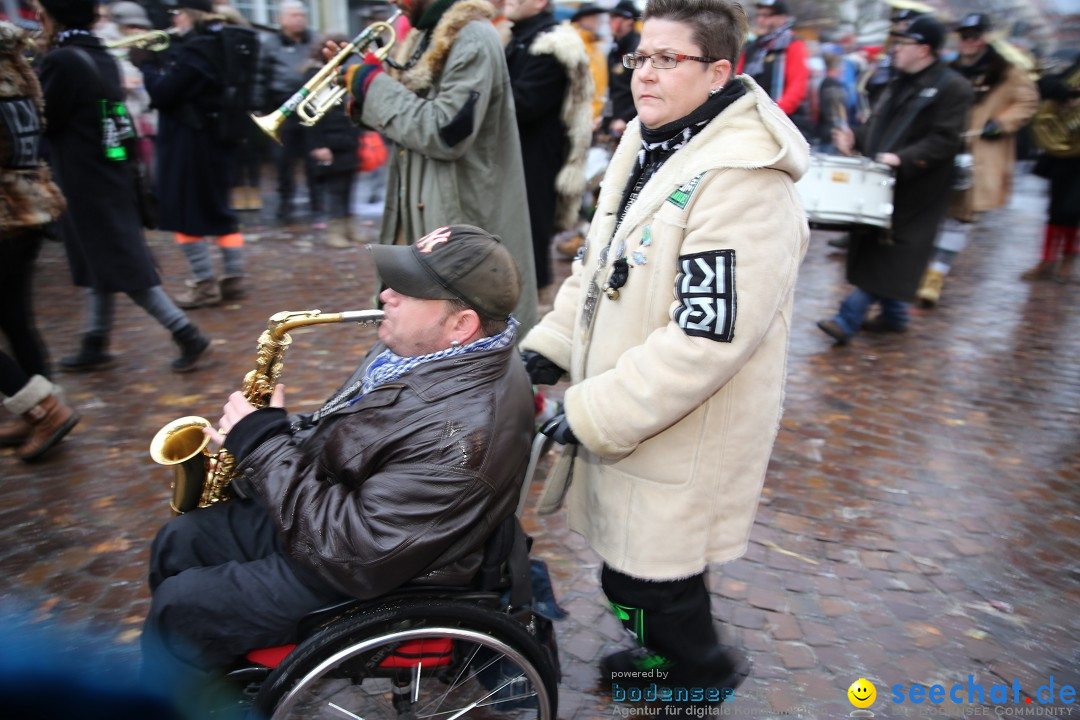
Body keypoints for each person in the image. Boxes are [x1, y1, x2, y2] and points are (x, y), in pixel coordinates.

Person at [520, 0, 808, 706]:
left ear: (718, 72)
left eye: (666, 60)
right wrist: (548, 349)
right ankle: (672, 655)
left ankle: (697, 674)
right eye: (640, 57)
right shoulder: (652, 140)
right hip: (635, 410)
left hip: (683, 426)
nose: (644, 74)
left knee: (648, 575)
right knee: (639, 566)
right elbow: (596, 269)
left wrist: (590, 410)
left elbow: (708, 338)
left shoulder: (744, 178)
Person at [141, 225, 534, 705]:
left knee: (180, 611)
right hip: (346, 514)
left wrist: (265, 446)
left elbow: (356, 555)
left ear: (461, 325)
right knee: (181, 540)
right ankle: (212, 678)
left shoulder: (461, 433)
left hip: (380, 568)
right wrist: (274, 433)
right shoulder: (423, 349)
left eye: (408, 291)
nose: (386, 293)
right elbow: (351, 427)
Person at [337, 0, 538, 334]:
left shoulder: (472, 36)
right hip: (425, 208)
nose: (392, 2)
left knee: (459, 336)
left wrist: (373, 85)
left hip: (459, 215)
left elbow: (444, 132)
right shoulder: (424, 37)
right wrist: (361, 84)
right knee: (423, 338)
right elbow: (412, 116)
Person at [37, 0, 213, 373]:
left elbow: (44, 119)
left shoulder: (62, 60)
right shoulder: (97, 54)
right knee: (102, 257)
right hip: (111, 171)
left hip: (84, 179)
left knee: (123, 265)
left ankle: (186, 333)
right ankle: (95, 340)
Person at [817, 15, 973, 344]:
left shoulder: (952, 87)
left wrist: (902, 158)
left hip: (919, 189)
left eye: (904, 44)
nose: (896, 49)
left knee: (895, 254)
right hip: (881, 182)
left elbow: (945, 139)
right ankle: (894, 315)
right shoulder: (897, 81)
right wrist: (854, 138)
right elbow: (879, 128)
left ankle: (847, 320)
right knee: (877, 250)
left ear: (924, 49)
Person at [915, 12, 1038, 306]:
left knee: (958, 217)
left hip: (979, 152)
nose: (968, 42)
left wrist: (1002, 122)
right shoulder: (949, 69)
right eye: (964, 36)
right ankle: (923, 268)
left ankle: (935, 276)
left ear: (984, 37)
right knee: (930, 211)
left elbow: (1028, 100)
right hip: (943, 147)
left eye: (974, 36)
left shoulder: (1006, 70)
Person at [135, 0, 249, 309]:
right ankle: (234, 275)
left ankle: (203, 283)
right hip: (216, 139)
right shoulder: (222, 45)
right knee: (218, 209)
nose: (175, 18)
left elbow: (164, 92)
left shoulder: (197, 51)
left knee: (184, 213)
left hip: (190, 142)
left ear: (191, 14)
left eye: (179, 12)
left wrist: (146, 65)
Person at [0, 19, 78, 461]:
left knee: (14, 318)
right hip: (28, 203)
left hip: (6, 207)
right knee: (15, 319)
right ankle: (39, 408)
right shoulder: (17, 68)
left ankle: (43, 409)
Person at [505, 0, 592, 289]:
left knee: (530, 236)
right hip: (514, 156)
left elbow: (524, 105)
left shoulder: (553, 43)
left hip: (535, 159)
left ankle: (532, 304)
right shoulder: (518, 36)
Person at [1024, 51, 1080, 283]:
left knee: (1073, 209)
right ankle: (1047, 260)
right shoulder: (1075, 67)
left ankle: (1068, 258)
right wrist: (1065, 94)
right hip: (1065, 152)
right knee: (1057, 208)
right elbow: (1045, 83)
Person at [255, 0, 314, 222]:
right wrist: (259, 105)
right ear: (281, 19)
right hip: (281, 107)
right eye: (293, 15)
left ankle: (317, 203)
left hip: (309, 108)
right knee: (283, 161)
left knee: (313, 160)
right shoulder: (270, 44)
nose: (298, 19)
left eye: (301, 15)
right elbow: (260, 75)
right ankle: (285, 203)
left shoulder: (314, 40)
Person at [302, 34, 361, 248]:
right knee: (334, 187)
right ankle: (334, 229)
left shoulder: (344, 74)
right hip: (329, 140)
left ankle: (348, 226)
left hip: (346, 137)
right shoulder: (315, 76)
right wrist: (318, 145)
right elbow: (310, 114)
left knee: (348, 185)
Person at [737, 0, 809, 135]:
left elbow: (797, 86)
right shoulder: (751, 47)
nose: (761, 20)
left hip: (781, 120)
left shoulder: (792, 44)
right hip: (750, 118)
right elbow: (738, 79)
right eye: (759, 15)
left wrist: (774, 113)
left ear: (783, 18)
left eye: (768, 15)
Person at [603, 0, 640, 138]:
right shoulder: (614, 51)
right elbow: (610, 91)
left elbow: (640, 88)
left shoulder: (635, 49)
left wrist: (625, 119)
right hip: (615, 125)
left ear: (628, 21)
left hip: (631, 125)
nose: (610, 22)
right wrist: (605, 120)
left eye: (615, 17)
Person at [571, 3, 609, 124]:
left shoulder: (597, 47)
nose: (597, 21)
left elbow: (603, 86)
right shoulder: (572, 45)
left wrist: (604, 115)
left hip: (595, 119)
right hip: (577, 120)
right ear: (583, 19)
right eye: (594, 17)